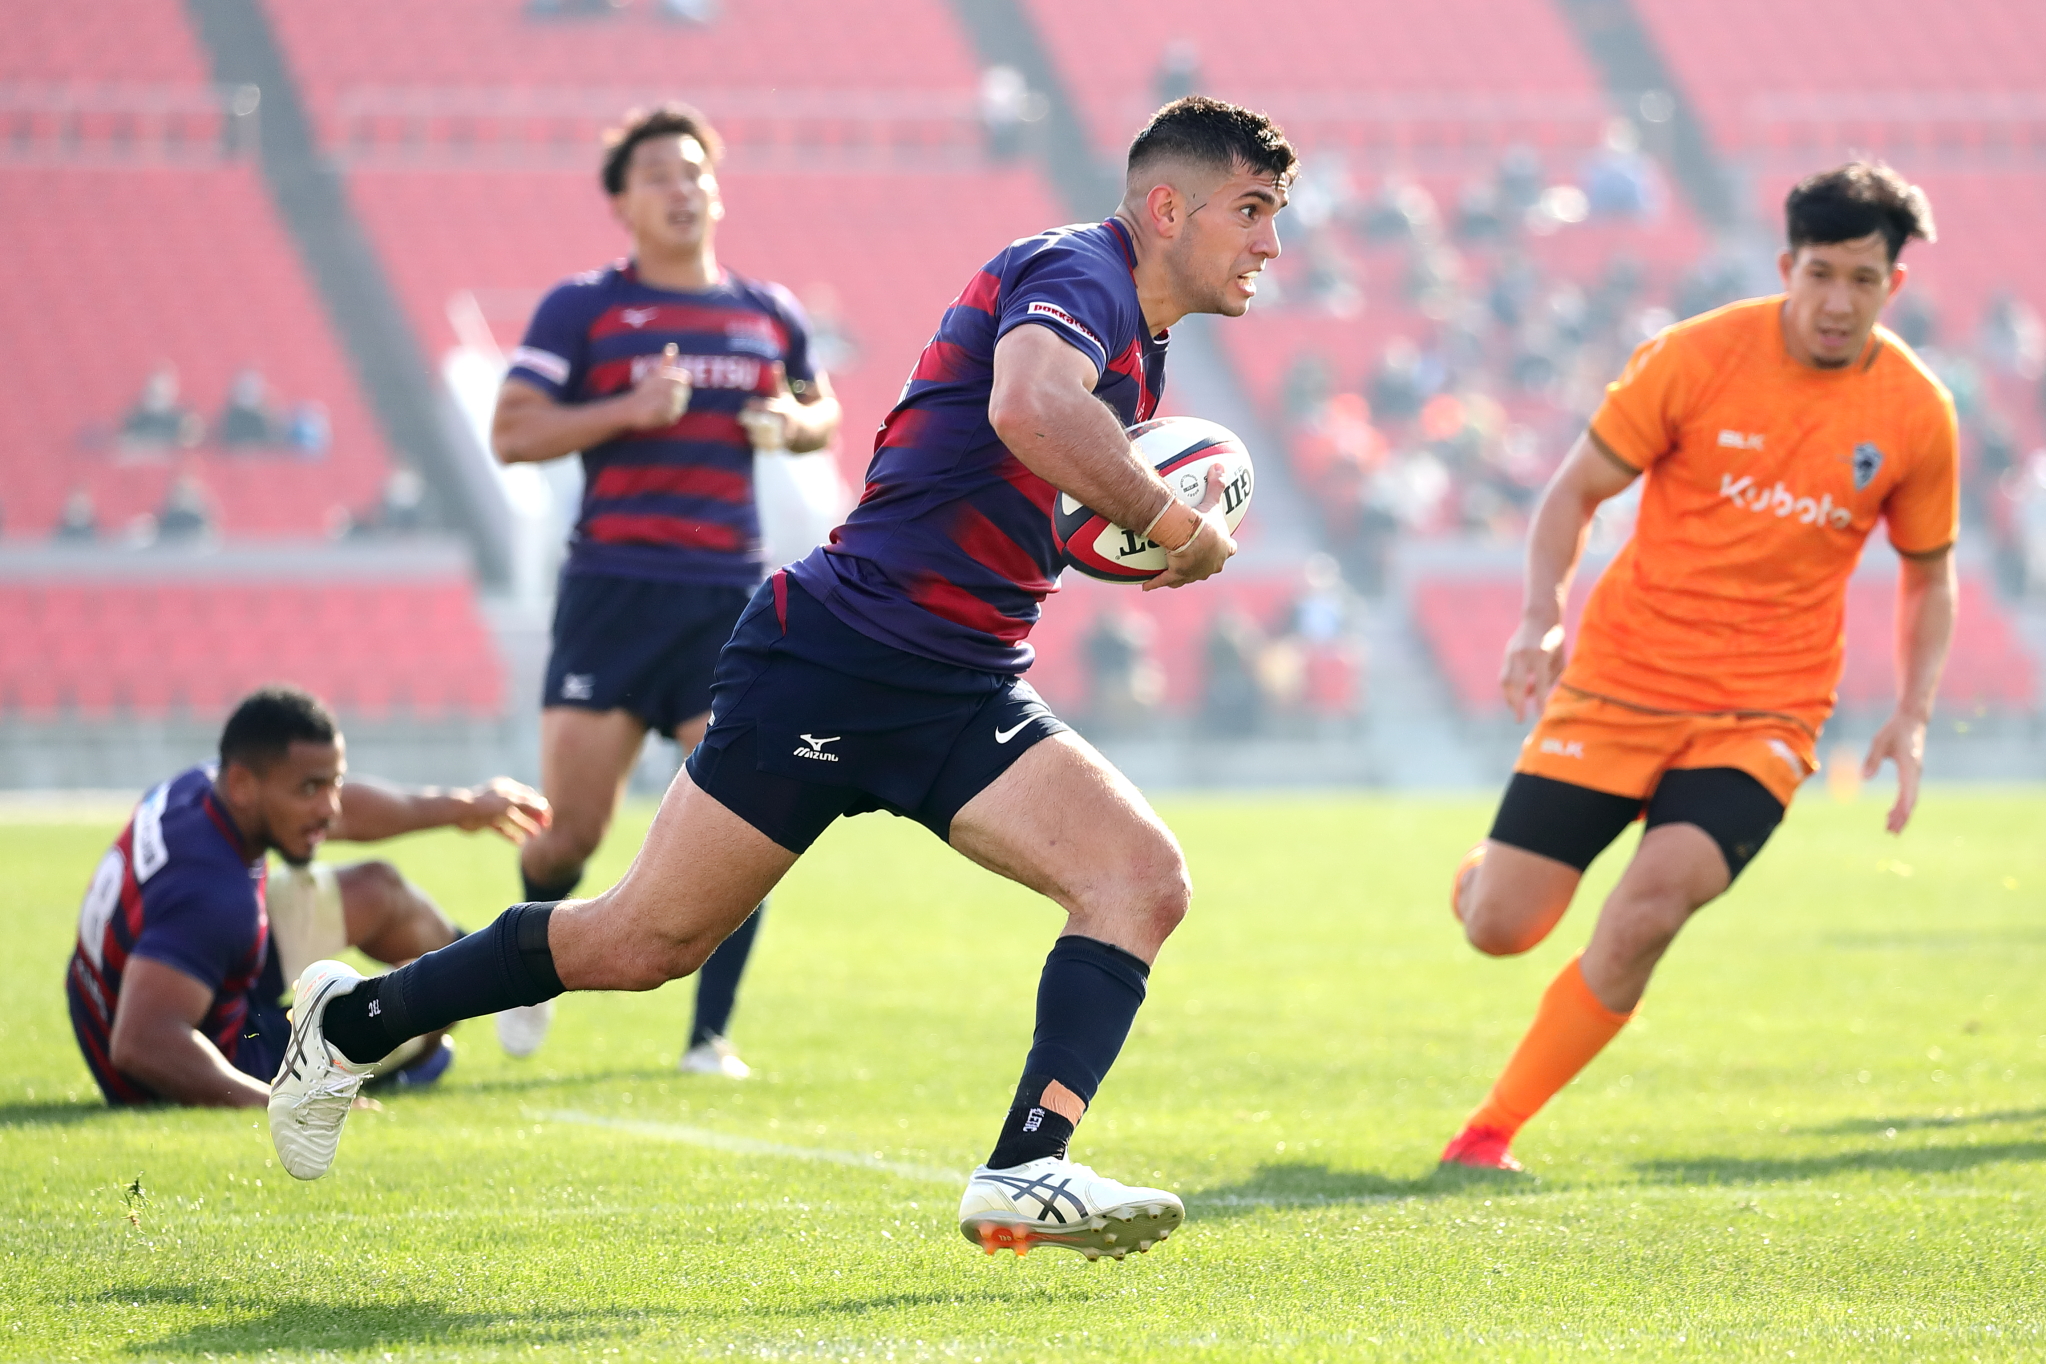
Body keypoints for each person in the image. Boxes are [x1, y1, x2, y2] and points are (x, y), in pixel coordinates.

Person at [269, 95, 1295, 1262]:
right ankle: (353, 1019)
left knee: (1140, 879)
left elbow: (1022, 486)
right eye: (1252, 210)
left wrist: (1134, 529)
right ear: (1166, 208)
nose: (1271, 243)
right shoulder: (1080, 269)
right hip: (839, 656)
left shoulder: (1139, 342)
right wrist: (1169, 517)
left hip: (962, 678)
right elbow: (1027, 407)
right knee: (642, 943)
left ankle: (1025, 1165)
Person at [1440, 162, 1958, 1173]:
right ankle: (1484, 878)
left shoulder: (1916, 410)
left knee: (1649, 909)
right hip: (1619, 683)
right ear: (1787, 267)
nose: (1838, 301)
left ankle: (1488, 1132)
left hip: (1766, 711)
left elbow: (1928, 576)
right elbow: (1572, 492)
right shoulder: (1694, 357)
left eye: (1862, 279)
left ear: (1893, 284)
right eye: (1821, 274)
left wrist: (1915, 710)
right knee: (1501, 928)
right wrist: (1540, 617)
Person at [485, 104, 842, 1076]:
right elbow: (513, 433)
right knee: (570, 837)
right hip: (612, 594)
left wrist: (794, 425)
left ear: (716, 191)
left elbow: (822, 407)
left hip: (724, 600)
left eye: (695, 171)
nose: (682, 188)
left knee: (742, 819)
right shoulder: (583, 309)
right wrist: (627, 410)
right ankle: (524, 968)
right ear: (622, 203)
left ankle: (708, 1036)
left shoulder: (768, 311)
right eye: (658, 175)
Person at [65, 686, 550, 1108]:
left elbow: (345, 810)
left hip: (181, 982)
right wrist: (278, 1106)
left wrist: (465, 807)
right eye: (310, 789)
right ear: (243, 784)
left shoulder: (209, 787)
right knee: (429, 1005)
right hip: (200, 1056)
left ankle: (485, 972)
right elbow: (141, 1045)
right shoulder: (213, 896)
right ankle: (396, 1058)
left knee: (379, 890)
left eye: (333, 783)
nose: (329, 807)